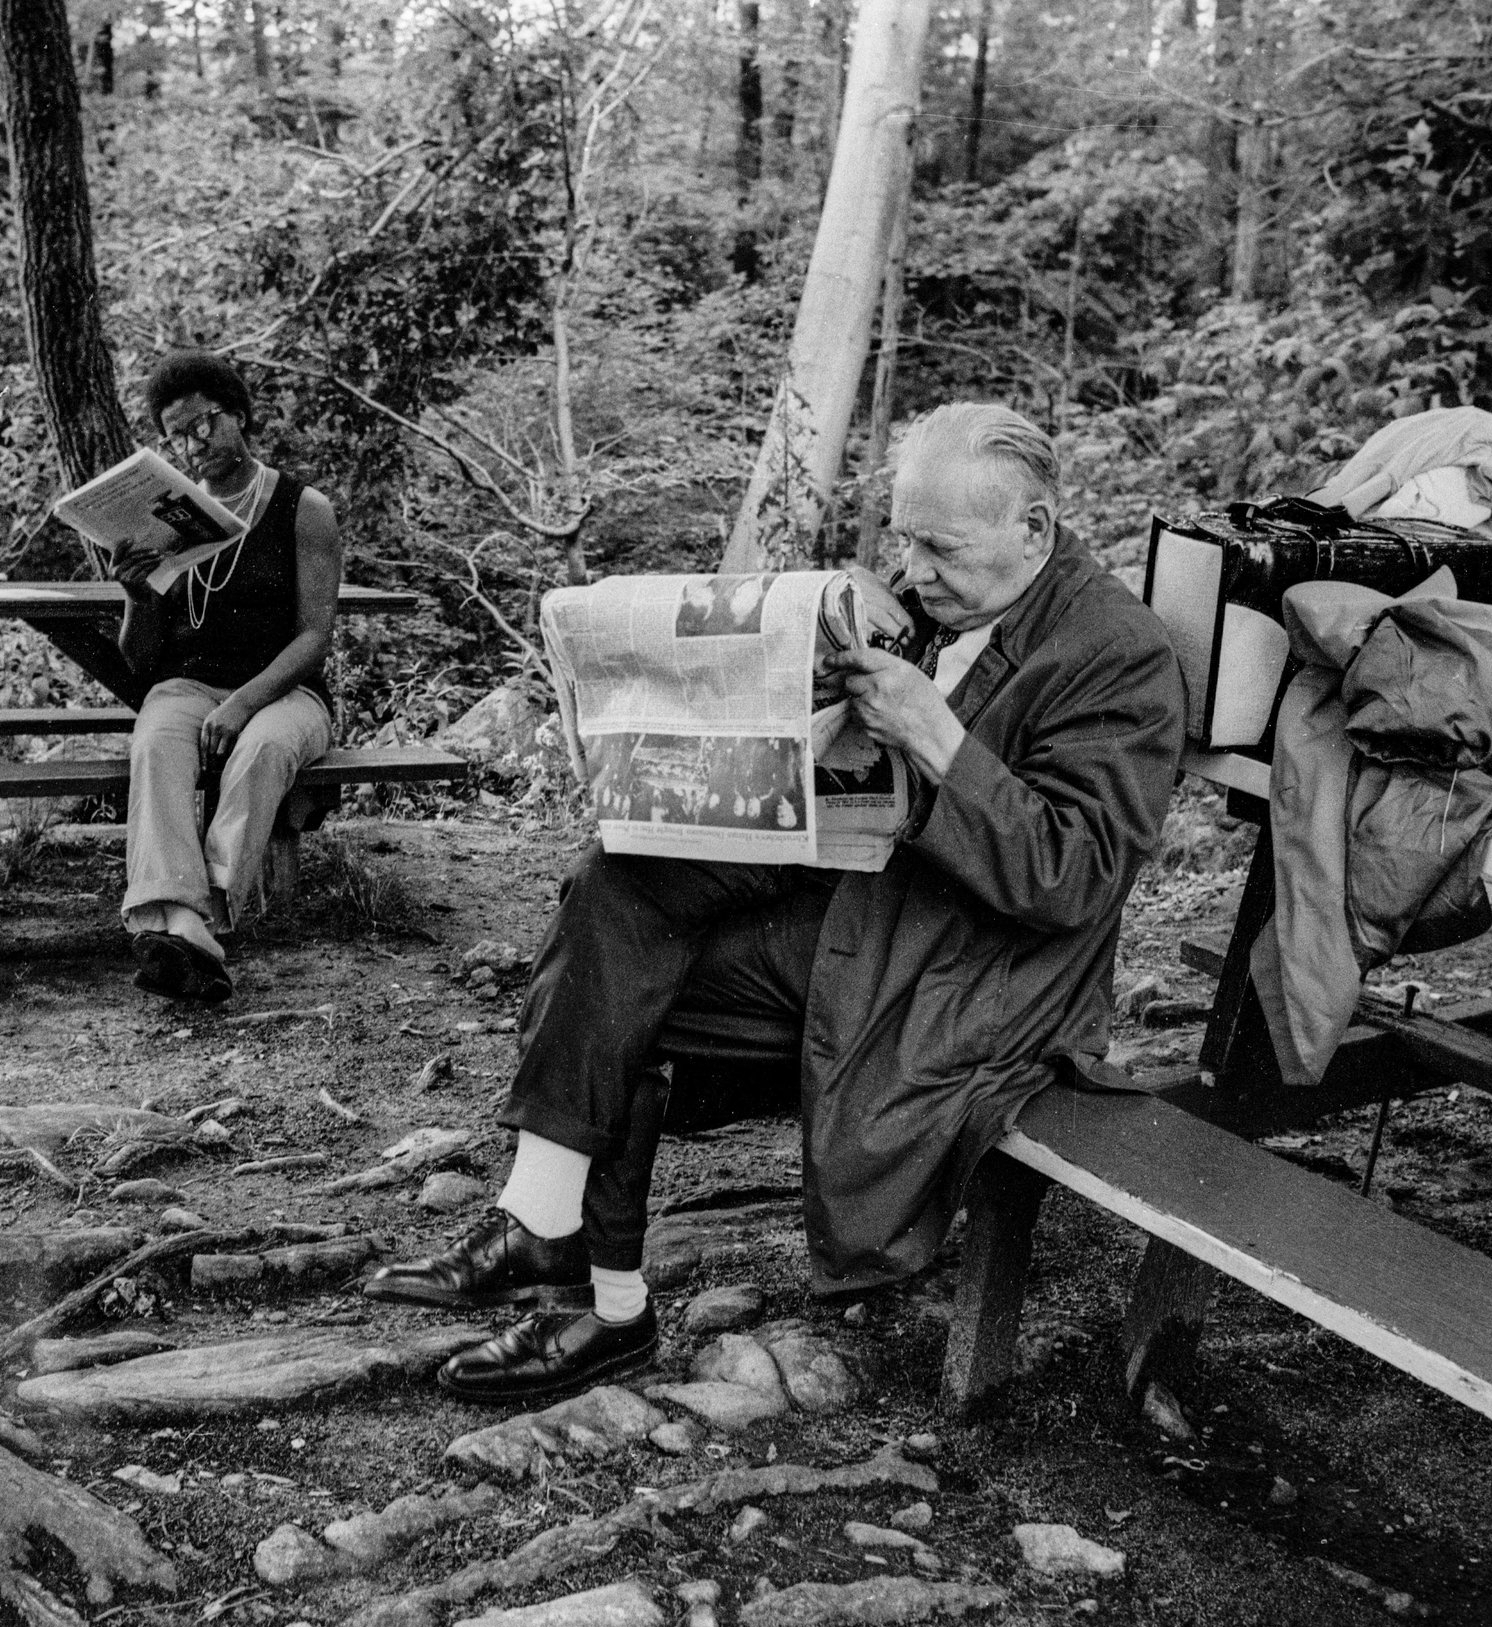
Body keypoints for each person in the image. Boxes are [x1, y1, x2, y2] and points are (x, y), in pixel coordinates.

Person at [363, 402, 1186, 1404]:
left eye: (942, 549)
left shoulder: (1118, 652)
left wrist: (933, 733)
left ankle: (598, 1300)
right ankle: (546, 1226)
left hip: (976, 967)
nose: (916, 572)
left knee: (627, 989)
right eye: (905, 540)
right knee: (617, 874)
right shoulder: (941, 604)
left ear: (1038, 529)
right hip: (863, 894)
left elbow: (1075, 877)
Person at [113, 351, 342, 1004]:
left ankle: (200, 917)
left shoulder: (304, 508)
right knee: (155, 743)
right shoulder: (166, 516)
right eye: (177, 434)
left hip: (285, 691)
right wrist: (136, 599)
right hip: (187, 687)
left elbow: (314, 638)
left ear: (239, 414)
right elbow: (139, 659)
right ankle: (188, 927)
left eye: (206, 422)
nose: (195, 442)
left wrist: (243, 703)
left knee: (263, 749)